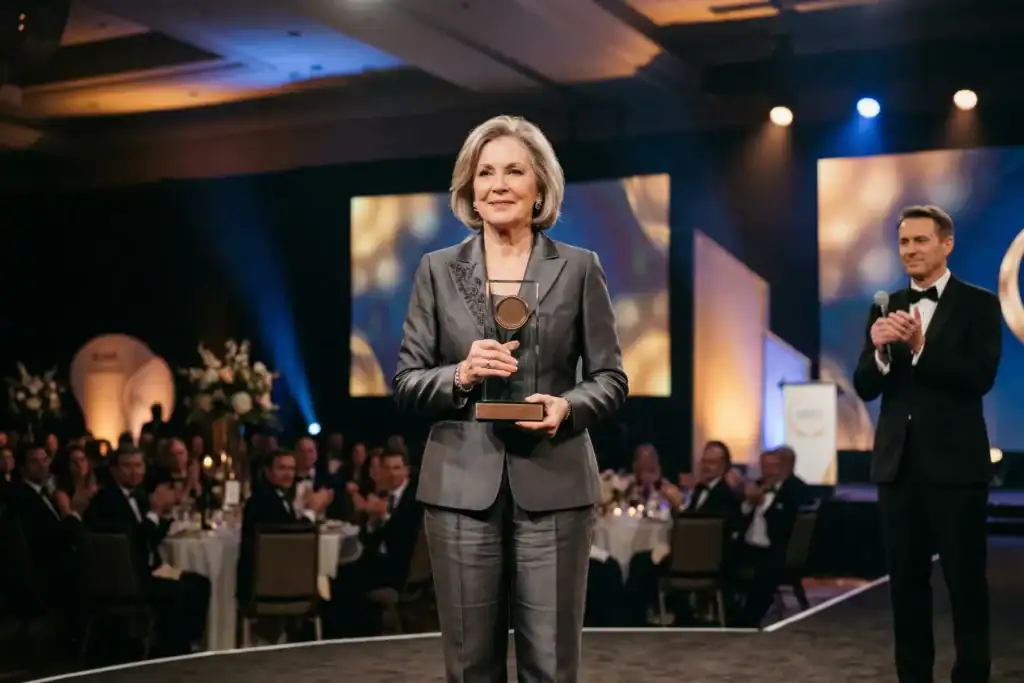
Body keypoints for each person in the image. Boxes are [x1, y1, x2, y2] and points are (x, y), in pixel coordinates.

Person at [393, 114, 627, 683]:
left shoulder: (577, 268)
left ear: (540, 186)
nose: (497, 184)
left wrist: (567, 408)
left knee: (549, 663)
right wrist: (463, 375)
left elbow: (610, 378)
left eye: (513, 171)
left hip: (554, 483)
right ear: (469, 189)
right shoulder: (437, 270)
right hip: (458, 489)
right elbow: (406, 380)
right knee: (472, 665)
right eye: (485, 172)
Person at [853, 204, 1002, 683]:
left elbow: (980, 377)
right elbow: (865, 387)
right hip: (898, 470)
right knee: (906, 590)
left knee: (965, 586)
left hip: (957, 470)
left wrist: (921, 348)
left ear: (946, 244)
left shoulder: (978, 303)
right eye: (904, 242)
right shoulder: (884, 304)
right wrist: (878, 350)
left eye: (920, 240)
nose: (911, 250)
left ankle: (971, 675)